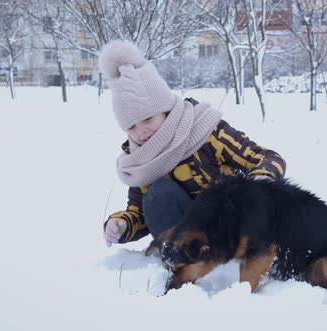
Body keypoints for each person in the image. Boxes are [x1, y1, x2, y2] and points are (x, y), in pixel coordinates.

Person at [100, 40, 286, 247]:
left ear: (166, 110)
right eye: (131, 127)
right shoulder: (141, 163)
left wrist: (261, 177)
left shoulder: (205, 131)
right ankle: (183, 262)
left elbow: (268, 158)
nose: (141, 132)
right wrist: (122, 224)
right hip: (186, 243)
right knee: (158, 194)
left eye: (148, 119)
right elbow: (141, 212)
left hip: (233, 224)